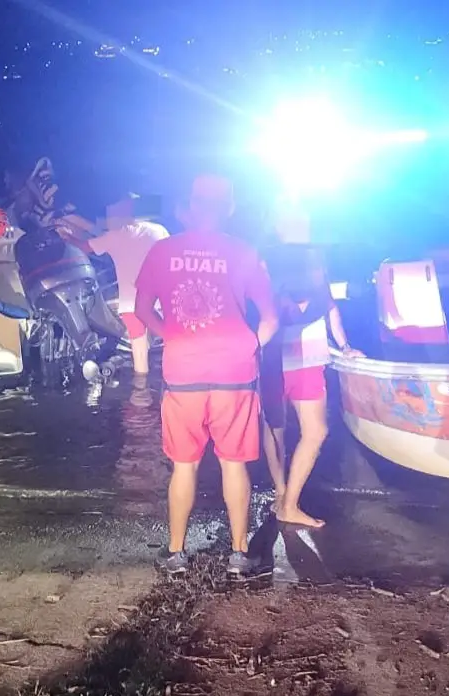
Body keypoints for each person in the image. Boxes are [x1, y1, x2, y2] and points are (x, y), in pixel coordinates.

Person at [134, 174, 279, 575]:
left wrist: (171, 335)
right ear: (229, 208)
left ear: (191, 206)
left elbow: (142, 310)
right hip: (235, 372)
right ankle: (239, 555)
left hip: (183, 372)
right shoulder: (244, 251)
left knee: (184, 465)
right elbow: (270, 318)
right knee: (234, 464)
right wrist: (252, 345)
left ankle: (176, 554)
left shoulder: (163, 251)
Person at [261, 237, 361, 528]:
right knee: (275, 430)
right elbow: (265, 317)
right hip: (274, 365)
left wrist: (345, 346)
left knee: (316, 432)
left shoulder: (318, 273)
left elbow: (331, 309)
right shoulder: (272, 274)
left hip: (309, 363)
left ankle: (289, 503)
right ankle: (281, 492)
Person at [61, 195, 170, 406]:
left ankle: (141, 396)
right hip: (159, 301)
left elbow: (83, 247)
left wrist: (65, 236)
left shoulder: (114, 236)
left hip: (131, 304)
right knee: (169, 345)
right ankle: (171, 387)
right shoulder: (159, 230)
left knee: (140, 354)